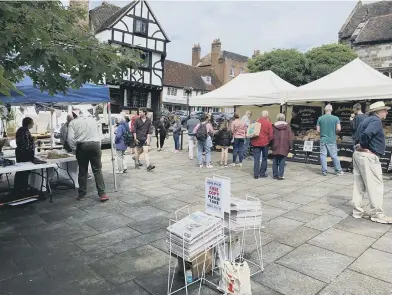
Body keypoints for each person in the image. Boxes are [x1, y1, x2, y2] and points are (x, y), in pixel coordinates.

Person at [352, 101, 391, 224]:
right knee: (375, 186)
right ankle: (377, 214)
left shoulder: (365, 120)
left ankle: (357, 211)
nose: (387, 112)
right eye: (384, 110)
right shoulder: (375, 121)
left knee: (359, 185)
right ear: (378, 111)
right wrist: (364, 145)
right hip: (368, 155)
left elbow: (358, 135)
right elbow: (367, 134)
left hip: (359, 154)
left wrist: (360, 145)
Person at [67, 109, 109, 202]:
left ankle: (82, 195)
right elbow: (99, 135)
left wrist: (74, 148)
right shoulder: (93, 120)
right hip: (95, 145)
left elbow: (70, 138)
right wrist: (99, 146)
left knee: (83, 171)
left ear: (74, 115)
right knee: (97, 170)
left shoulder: (73, 122)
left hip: (82, 146)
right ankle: (102, 194)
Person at [317, 104, 343, 176]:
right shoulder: (336, 118)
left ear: (325, 110)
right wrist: (333, 130)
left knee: (323, 155)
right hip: (331, 139)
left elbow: (318, 130)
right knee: (334, 155)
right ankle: (338, 170)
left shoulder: (320, 118)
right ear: (331, 110)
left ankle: (324, 171)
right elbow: (339, 128)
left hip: (323, 139)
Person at [14, 117, 35, 192]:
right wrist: (33, 141)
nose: (33, 124)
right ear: (29, 123)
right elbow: (26, 145)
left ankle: (18, 187)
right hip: (24, 154)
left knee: (20, 170)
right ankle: (23, 188)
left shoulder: (20, 130)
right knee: (24, 171)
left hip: (20, 153)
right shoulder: (25, 131)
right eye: (32, 122)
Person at [251, 110, 273, 179]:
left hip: (256, 142)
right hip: (265, 143)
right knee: (264, 158)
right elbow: (271, 135)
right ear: (267, 115)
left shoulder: (257, 122)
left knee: (256, 159)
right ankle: (262, 173)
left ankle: (256, 174)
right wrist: (269, 142)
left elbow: (252, 131)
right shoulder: (268, 123)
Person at [271, 113, 293, 180]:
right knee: (282, 160)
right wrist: (291, 146)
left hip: (275, 144)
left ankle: (275, 175)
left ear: (277, 118)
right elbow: (290, 137)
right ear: (284, 118)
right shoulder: (288, 126)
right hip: (285, 145)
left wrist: (270, 144)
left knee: (275, 160)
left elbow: (271, 136)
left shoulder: (274, 126)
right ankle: (280, 175)